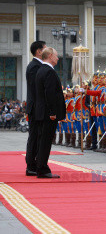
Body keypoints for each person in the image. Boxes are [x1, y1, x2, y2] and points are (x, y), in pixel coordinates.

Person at [35, 47, 66, 178]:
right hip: (49, 114)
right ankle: (42, 169)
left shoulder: (41, 70)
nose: (58, 58)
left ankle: (41, 166)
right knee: (46, 141)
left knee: (43, 140)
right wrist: (53, 112)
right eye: (56, 55)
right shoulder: (49, 72)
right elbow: (50, 93)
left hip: (42, 112)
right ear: (50, 56)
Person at [25, 40, 46, 176]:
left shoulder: (37, 66)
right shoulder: (34, 67)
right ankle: (31, 165)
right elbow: (36, 89)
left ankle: (34, 163)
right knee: (34, 136)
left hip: (37, 107)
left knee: (37, 136)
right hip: (36, 108)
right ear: (39, 51)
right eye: (45, 49)